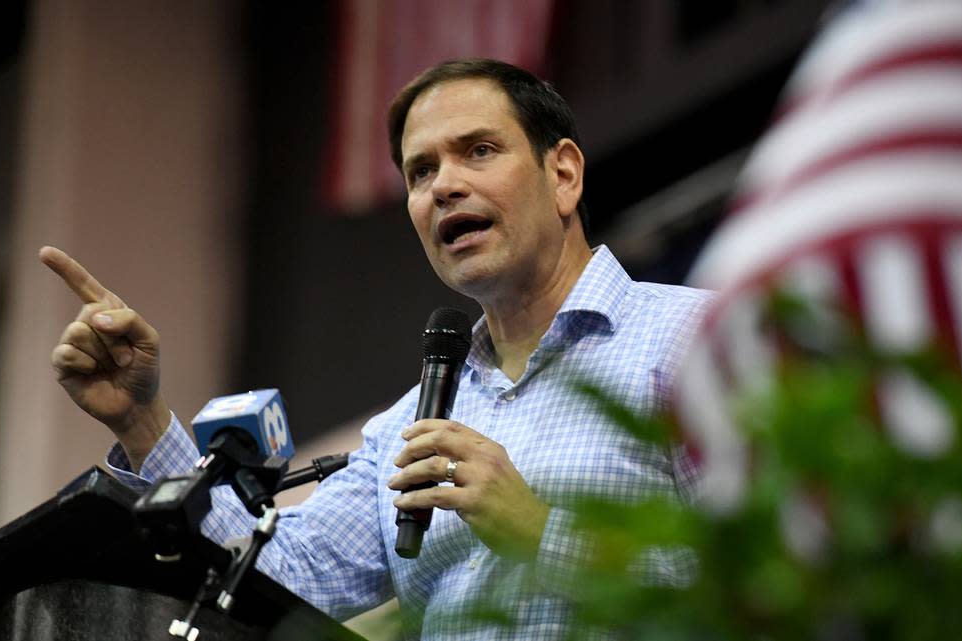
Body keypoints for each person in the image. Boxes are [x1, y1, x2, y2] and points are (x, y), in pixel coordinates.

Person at [41, 58, 711, 639]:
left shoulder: (693, 339)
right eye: (421, 171)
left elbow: (781, 578)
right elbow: (283, 573)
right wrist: (142, 421)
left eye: (478, 150)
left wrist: (540, 531)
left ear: (563, 173)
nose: (442, 185)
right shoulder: (406, 428)